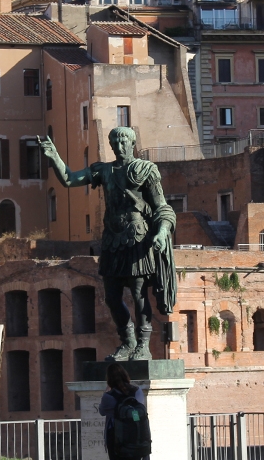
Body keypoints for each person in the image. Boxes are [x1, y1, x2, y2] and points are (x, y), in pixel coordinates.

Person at [40, 128, 176, 361]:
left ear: (133, 143)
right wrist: (54, 157)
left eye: (124, 142)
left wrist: (162, 232)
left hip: (137, 238)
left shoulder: (146, 170)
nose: (120, 146)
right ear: (111, 145)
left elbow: (162, 207)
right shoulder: (104, 170)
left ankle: (143, 345)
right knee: (112, 297)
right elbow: (70, 179)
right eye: (115, 142)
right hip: (113, 240)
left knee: (138, 293)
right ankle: (128, 342)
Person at [99, 363, 146, 460]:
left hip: (116, 438)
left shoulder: (109, 396)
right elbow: (142, 410)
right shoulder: (137, 392)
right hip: (136, 437)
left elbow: (102, 411)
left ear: (109, 379)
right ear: (126, 376)